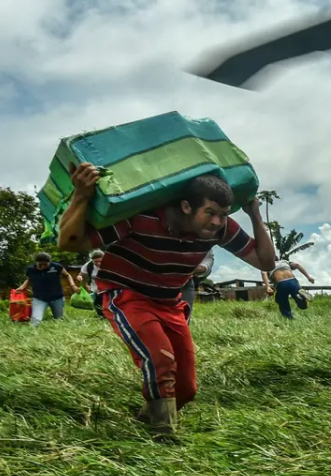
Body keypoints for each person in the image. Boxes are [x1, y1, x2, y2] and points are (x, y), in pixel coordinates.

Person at [58, 163, 276, 437]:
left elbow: (265, 261)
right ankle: (163, 437)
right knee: (160, 359)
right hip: (127, 293)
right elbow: (69, 243)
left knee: (186, 389)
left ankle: (147, 418)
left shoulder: (219, 230)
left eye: (223, 215)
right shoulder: (140, 218)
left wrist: (255, 215)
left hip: (170, 302)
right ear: (186, 206)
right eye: (210, 213)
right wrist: (81, 195)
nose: (217, 222)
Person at [17, 252, 76, 327]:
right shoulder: (31, 269)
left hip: (57, 297)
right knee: (35, 320)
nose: (42, 266)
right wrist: (22, 287)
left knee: (59, 319)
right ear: (36, 262)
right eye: (40, 264)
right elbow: (29, 279)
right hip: (39, 298)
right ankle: (32, 333)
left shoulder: (56, 267)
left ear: (49, 262)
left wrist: (72, 285)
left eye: (45, 264)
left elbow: (67, 275)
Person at [180, 248, 214, 317]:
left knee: (183, 318)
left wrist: (203, 267)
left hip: (185, 283)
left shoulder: (201, 239)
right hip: (155, 281)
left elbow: (207, 258)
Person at [77, 249, 106, 318]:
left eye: (100, 261)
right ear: (92, 260)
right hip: (96, 288)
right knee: (97, 304)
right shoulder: (89, 265)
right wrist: (79, 277)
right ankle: (102, 317)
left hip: (107, 288)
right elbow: (81, 275)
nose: (98, 263)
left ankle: (106, 316)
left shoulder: (108, 264)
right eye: (96, 261)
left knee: (102, 302)